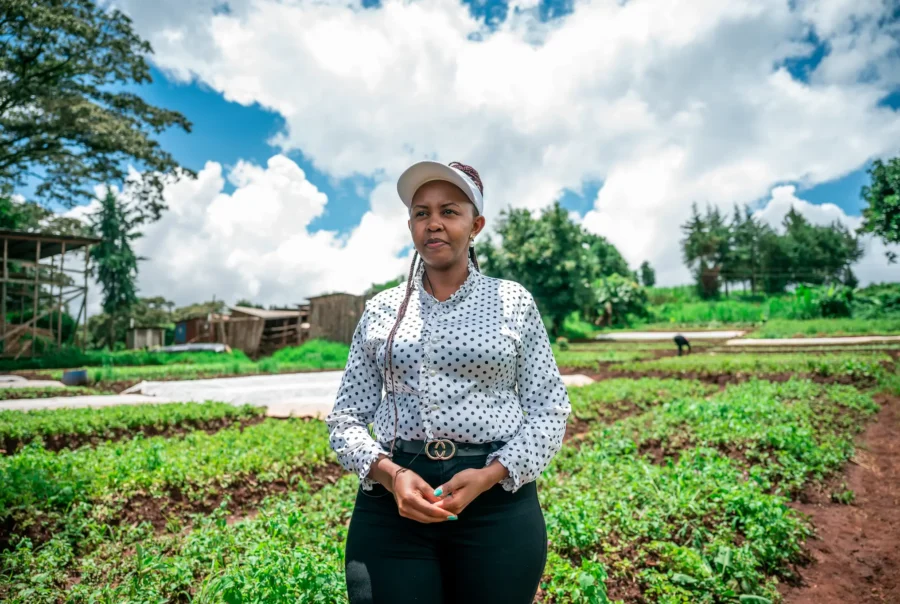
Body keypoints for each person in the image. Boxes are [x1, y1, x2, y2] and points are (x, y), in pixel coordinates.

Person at [325, 160, 572, 604]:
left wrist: (490, 475)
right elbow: (346, 417)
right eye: (422, 213)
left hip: (496, 504)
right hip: (395, 503)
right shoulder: (382, 309)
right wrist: (391, 475)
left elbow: (549, 408)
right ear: (411, 227)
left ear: (475, 226)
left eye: (449, 211)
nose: (433, 223)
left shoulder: (512, 302)